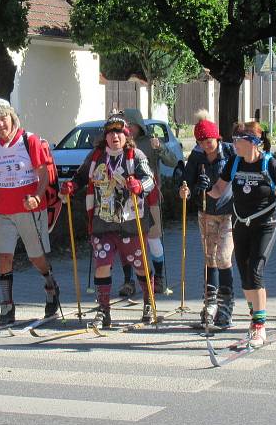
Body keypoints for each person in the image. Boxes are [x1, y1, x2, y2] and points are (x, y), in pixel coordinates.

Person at [0, 99, 61, 326]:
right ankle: (7, 307)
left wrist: (37, 195)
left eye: (3, 118)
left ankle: (51, 285)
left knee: (36, 258)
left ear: (12, 117)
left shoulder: (29, 141)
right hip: (3, 211)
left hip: (29, 208)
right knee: (4, 256)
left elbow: (43, 174)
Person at [60, 114, 156, 328]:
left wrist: (139, 186)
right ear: (105, 137)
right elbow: (80, 177)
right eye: (111, 133)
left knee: (140, 264)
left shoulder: (135, 155)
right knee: (102, 265)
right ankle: (104, 310)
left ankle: (149, 303)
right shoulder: (96, 157)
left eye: (119, 132)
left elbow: (150, 179)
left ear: (126, 135)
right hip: (102, 222)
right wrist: (70, 187)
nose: (115, 136)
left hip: (131, 222)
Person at [207, 121, 276, 347]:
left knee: (255, 271)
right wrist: (204, 188)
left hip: (265, 223)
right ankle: (254, 318)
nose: (234, 144)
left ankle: (259, 326)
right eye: (234, 140)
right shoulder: (234, 163)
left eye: (238, 140)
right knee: (246, 275)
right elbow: (218, 189)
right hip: (240, 222)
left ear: (253, 142)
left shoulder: (270, 164)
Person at [179, 111, 238, 328]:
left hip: (229, 213)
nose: (206, 145)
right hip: (206, 213)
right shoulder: (196, 157)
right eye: (202, 141)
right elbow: (185, 186)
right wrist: (193, 189)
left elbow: (241, 176)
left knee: (223, 257)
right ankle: (210, 305)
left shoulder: (231, 152)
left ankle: (226, 306)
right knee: (209, 259)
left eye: (209, 140)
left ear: (217, 137)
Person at [117, 108, 178, 296]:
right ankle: (129, 281)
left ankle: (158, 278)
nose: (127, 128)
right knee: (125, 240)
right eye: (124, 125)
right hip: (123, 199)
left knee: (152, 239)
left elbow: (173, 161)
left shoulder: (149, 141)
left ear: (137, 124)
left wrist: (160, 147)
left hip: (149, 197)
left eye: (130, 125)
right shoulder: (117, 142)